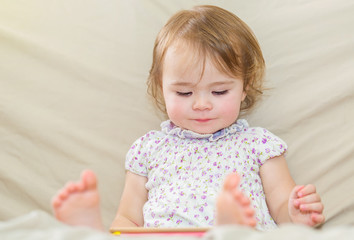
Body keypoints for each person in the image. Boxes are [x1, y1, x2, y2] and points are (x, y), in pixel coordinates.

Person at [51, 5, 325, 231]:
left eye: (219, 91)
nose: (202, 104)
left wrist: (295, 214)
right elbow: (128, 218)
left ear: (246, 87)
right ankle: (88, 231)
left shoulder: (258, 144)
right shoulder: (148, 148)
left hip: (245, 232)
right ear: (161, 89)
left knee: (249, 231)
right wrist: (121, 231)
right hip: (165, 235)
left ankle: (230, 229)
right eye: (184, 92)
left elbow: (280, 206)